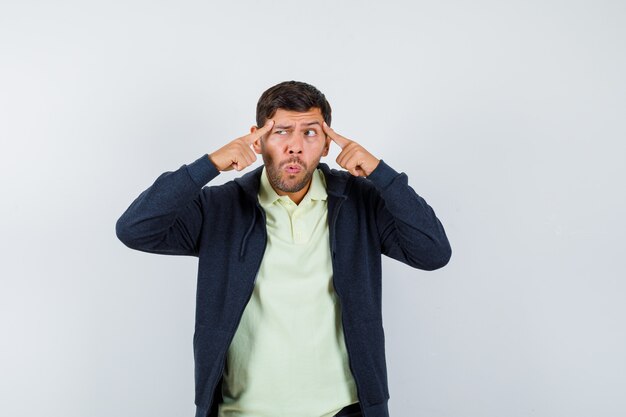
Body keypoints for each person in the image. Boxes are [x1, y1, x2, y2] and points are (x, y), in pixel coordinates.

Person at [116, 80, 451, 417]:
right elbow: (135, 228)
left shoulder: (359, 202)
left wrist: (382, 175)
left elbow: (433, 251)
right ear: (258, 139)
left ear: (325, 144)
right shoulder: (220, 208)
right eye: (281, 132)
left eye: (309, 133)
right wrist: (210, 164)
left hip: (345, 410)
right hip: (242, 411)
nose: (295, 146)